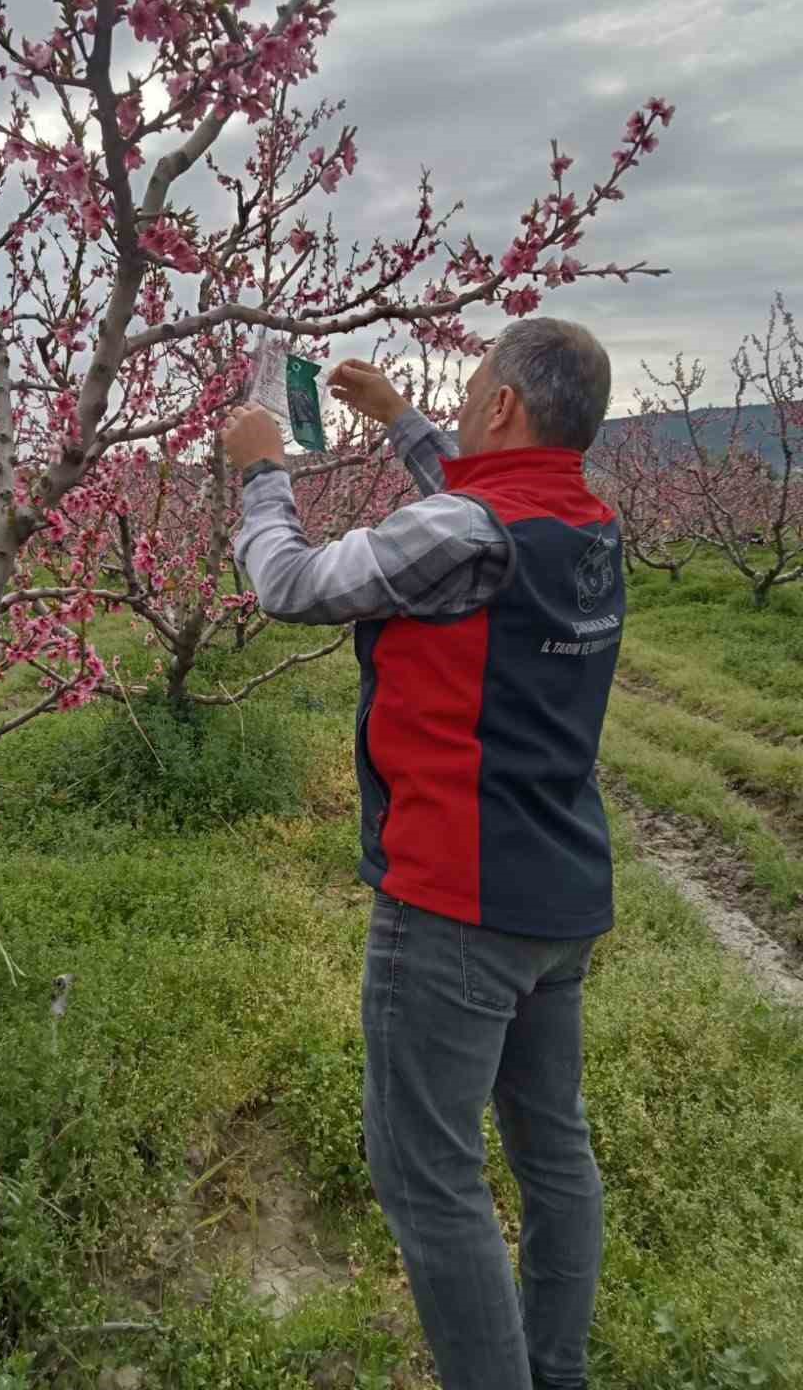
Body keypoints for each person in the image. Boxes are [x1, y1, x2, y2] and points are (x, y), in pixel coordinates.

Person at [221, 317, 622, 1390]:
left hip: (455, 903)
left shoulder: (467, 530)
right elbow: (485, 511)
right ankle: (554, 1371)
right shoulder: (587, 525)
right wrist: (401, 423)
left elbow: (292, 586)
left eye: (473, 384)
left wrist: (263, 475)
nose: (464, 398)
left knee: (428, 1178)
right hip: (561, 891)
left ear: (500, 406)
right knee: (554, 1152)